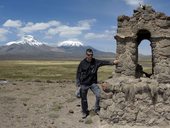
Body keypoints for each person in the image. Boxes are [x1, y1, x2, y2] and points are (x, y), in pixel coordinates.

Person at [76, 48, 119, 119]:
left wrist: (113, 62)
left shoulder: (95, 62)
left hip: (92, 83)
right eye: (88, 55)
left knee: (99, 95)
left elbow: (104, 62)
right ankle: (84, 111)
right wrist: (78, 84)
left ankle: (96, 109)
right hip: (84, 84)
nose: (90, 56)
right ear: (86, 55)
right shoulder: (82, 63)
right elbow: (78, 73)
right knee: (84, 99)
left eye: (91, 54)